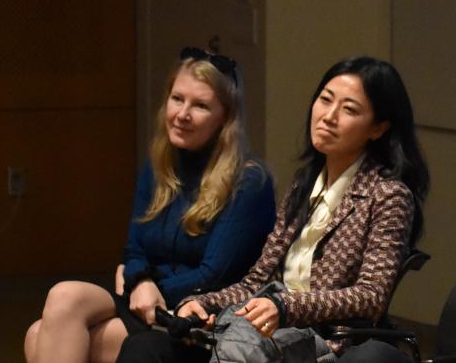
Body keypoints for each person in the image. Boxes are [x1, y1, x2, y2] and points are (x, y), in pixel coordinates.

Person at [118, 56, 431, 363]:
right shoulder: (304, 184)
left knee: (242, 348)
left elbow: (370, 296)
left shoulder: (388, 196)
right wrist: (200, 303)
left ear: (377, 128)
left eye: (349, 110)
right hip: (261, 325)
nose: (328, 116)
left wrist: (285, 307)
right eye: (325, 100)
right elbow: (256, 282)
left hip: (322, 339)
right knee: (143, 348)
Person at [24, 48, 276, 363]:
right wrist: (140, 280)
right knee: (64, 296)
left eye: (200, 106)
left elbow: (212, 276)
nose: (182, 114)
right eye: (177, 99)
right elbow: (133, 249)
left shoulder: (249, 181)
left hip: (200, 313)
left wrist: (141, 284)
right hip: (145, 296)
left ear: (224, 117)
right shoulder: (159, 165)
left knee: (41, 335)